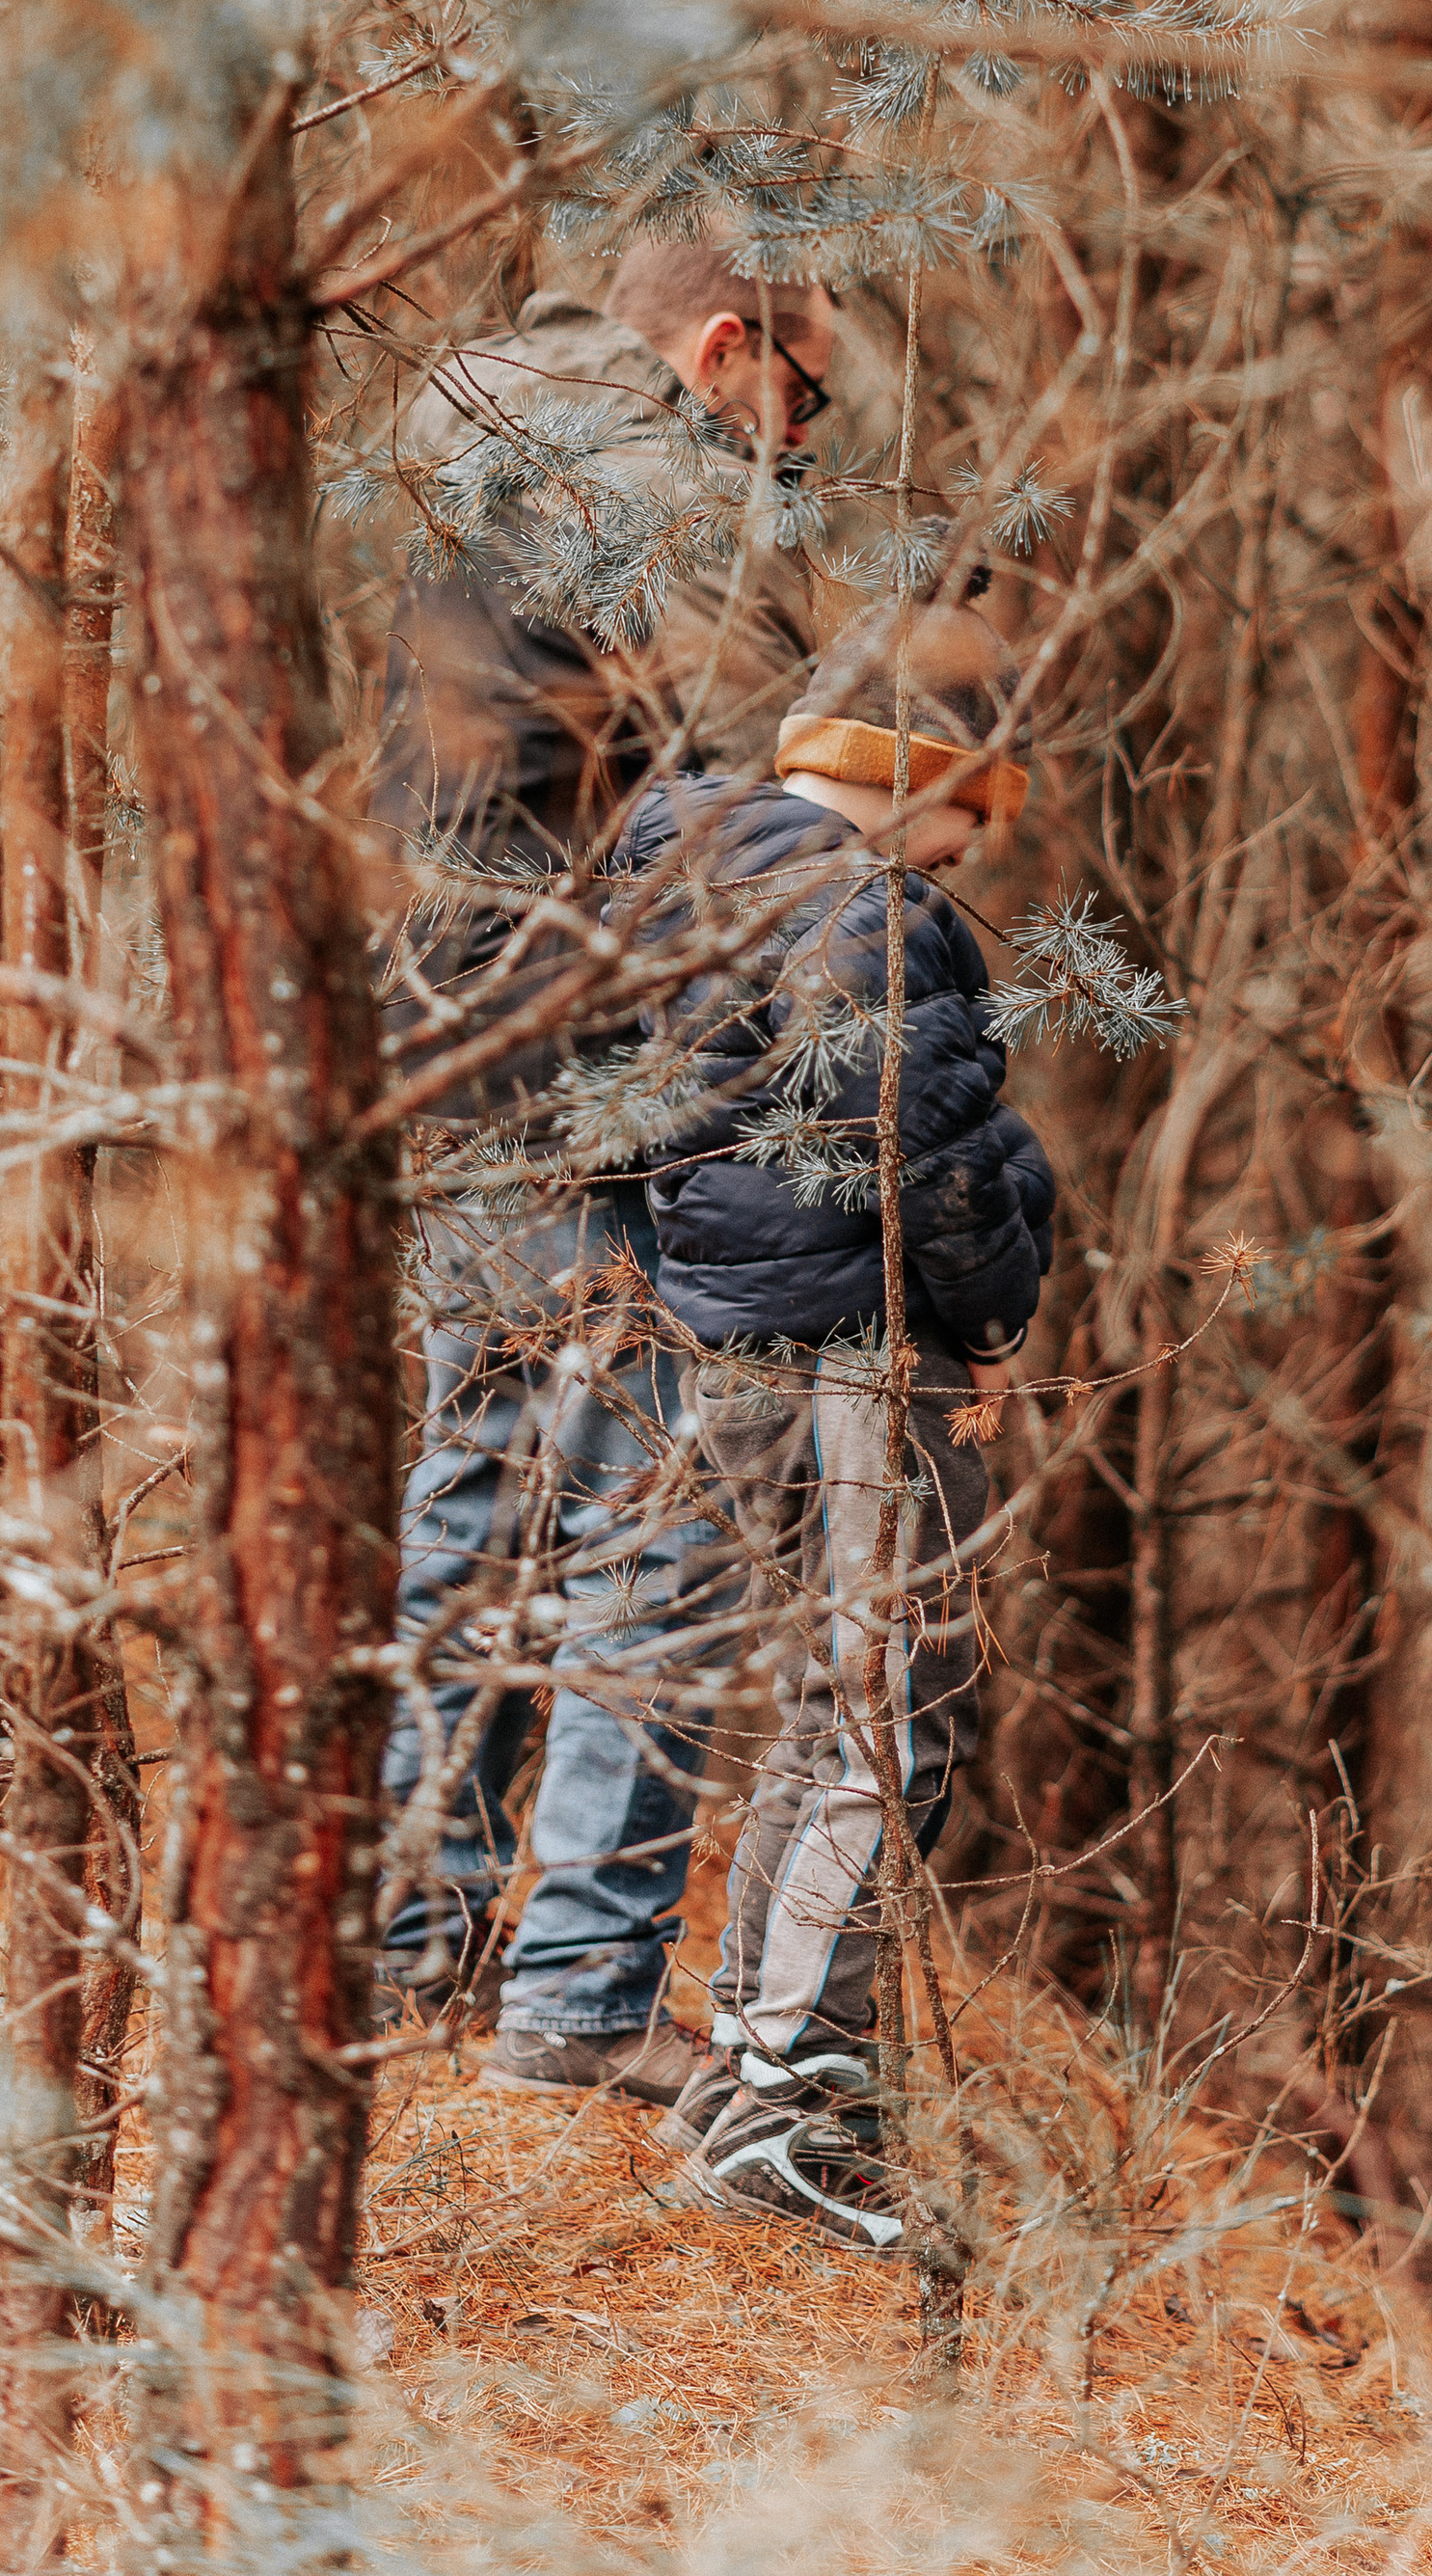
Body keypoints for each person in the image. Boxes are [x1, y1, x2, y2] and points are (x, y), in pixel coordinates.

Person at [371, 239, 837, 2101]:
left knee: (476, 1475)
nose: (796, 451)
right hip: (597, 1030)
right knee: (661, 1501)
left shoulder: (446, 416)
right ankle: (578, 1994)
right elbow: (774, 787)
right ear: (724, 351)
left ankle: (411, 1947)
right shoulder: (658, 487)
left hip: (430, 1002)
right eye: (802, 403)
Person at [608, 606, 1055, 2240]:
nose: (981, 845)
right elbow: (918, 1140)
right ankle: (794, 2091)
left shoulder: (715, 871)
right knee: (889, 1707)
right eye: (980, 806)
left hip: (773, 1330)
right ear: (924, 778)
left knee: (836, 1693)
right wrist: (996, 1307)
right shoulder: (862, 907)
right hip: (870, 1340)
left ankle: (750, 2055)